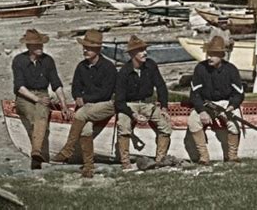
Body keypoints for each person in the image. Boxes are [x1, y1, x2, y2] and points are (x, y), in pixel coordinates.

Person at [51, 30, 117, 177]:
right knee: (85, 128)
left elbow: (105, 93)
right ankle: (88, 166)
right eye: (84, 47)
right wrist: (78, 97)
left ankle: (67, 150)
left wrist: (84, 99)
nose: (85, 50)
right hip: (87, 108)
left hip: (106, 105)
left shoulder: (108, 67)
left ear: (98, 50)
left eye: (89, 48)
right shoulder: (81, 67)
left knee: (81, 113)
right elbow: (75, 88)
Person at [12, 29, 72, 170]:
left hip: (43, 94)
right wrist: (36, 99)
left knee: (41, 113)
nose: (40, 48)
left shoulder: (48, 61)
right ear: (28, 47)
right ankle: (37, 152)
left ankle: (36, 153)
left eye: (41, 45)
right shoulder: (19, 61)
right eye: (36, 46)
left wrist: (64, 105)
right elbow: (19, 87)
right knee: (34, 115)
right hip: (25, 96)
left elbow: (56, 84)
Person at [115, 35, 172, 170]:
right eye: (140, 50)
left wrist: (164, 107)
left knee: (165, 126)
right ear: (132, 54)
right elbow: (119, 101)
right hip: (129, 105)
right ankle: (125, 162)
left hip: (148, 104)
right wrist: (133, 115)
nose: (144, 53)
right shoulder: (124, 72)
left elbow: (161, 86)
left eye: (144, 50)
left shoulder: (151, 65)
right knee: (123, 126)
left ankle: (159, 160)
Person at [188, 36, 244, 164]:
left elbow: (239, 94)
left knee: (235, 124)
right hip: (206, 104)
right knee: (193, 121)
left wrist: (231, 107)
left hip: (226, 103)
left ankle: (232, 156)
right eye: (208, 53)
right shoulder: (200, 69)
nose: (209, 57)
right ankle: (204, 157)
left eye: (213, 54)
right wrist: (202, 111)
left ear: (222, 55)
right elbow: (195, 94)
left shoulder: (231, 69)